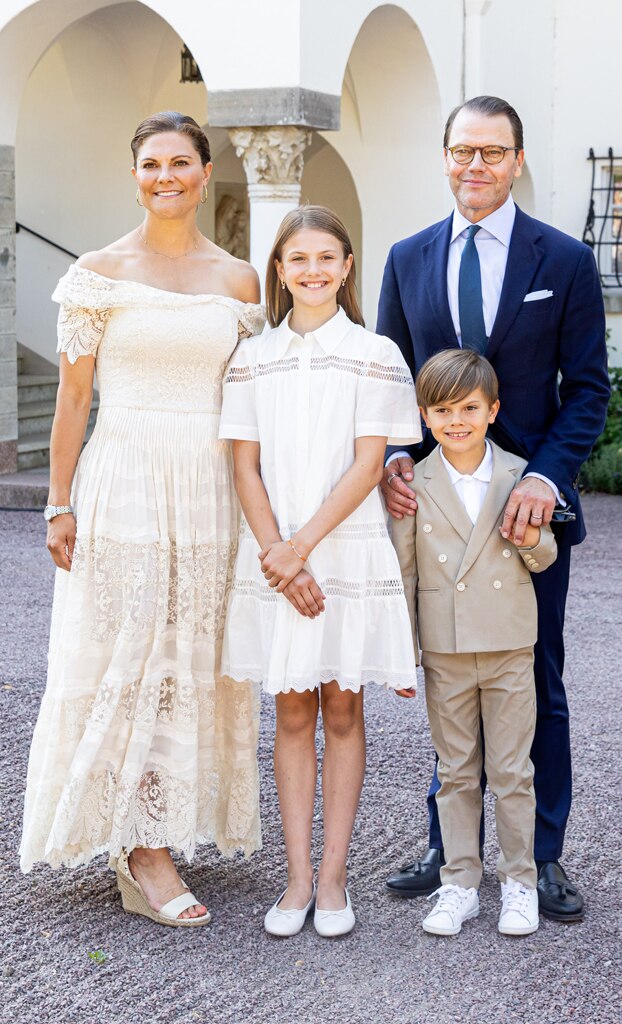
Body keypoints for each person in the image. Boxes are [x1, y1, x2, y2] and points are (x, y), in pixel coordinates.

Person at [19, 111, 264, 927]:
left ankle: (155, 825)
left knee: (190, 650)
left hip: (206, 486)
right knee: (127, 647)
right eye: (152, 163)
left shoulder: (237, 280)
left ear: (203, 172)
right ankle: (140, 852)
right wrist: (58, 501)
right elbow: (74, 397)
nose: (167, 176)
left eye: (182, 163)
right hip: (121, 476)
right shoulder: (96, 272)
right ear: (135, 174)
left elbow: (252, 401)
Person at [378, 95, 610, 921]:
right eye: (461, 151)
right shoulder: (407, 258)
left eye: (492, 153)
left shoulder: (566, 261)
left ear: (516, 161)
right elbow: (394, 389)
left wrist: (544, 482)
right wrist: (397, 463)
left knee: (535, 685)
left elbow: (588, 391)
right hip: (437, 515)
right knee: (447, 681)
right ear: (444, 158)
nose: (475, 166)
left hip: (528, 516)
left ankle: (538, 859)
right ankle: (452, 854)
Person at [219, 205, 421, 938]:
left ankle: (335, 876)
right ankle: (297, 877)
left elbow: (371, 464)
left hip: (342, 549)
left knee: (343, 708)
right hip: (274, 554)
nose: (312, 271)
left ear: (346, 268)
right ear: (279, 270)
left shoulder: (376, 353)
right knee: (292, 711)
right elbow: (244, 466)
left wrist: (300, 548)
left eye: (326, 258)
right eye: (297, 259)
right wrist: (279, 554)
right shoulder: (250, 356)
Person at [393, 349, 557, 936]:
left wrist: (534, 537)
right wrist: (405, 652)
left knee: (513, 771)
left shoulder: (522, 474)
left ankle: (519, 883)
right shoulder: (413, 480)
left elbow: (544, 559)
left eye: (468, 407)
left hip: (510, 643)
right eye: (442, 409)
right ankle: (459, 882)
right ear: (423, 416)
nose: (455, 420)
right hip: (445, 645)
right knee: (456, 770)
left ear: (492, 410)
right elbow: (406, 571)